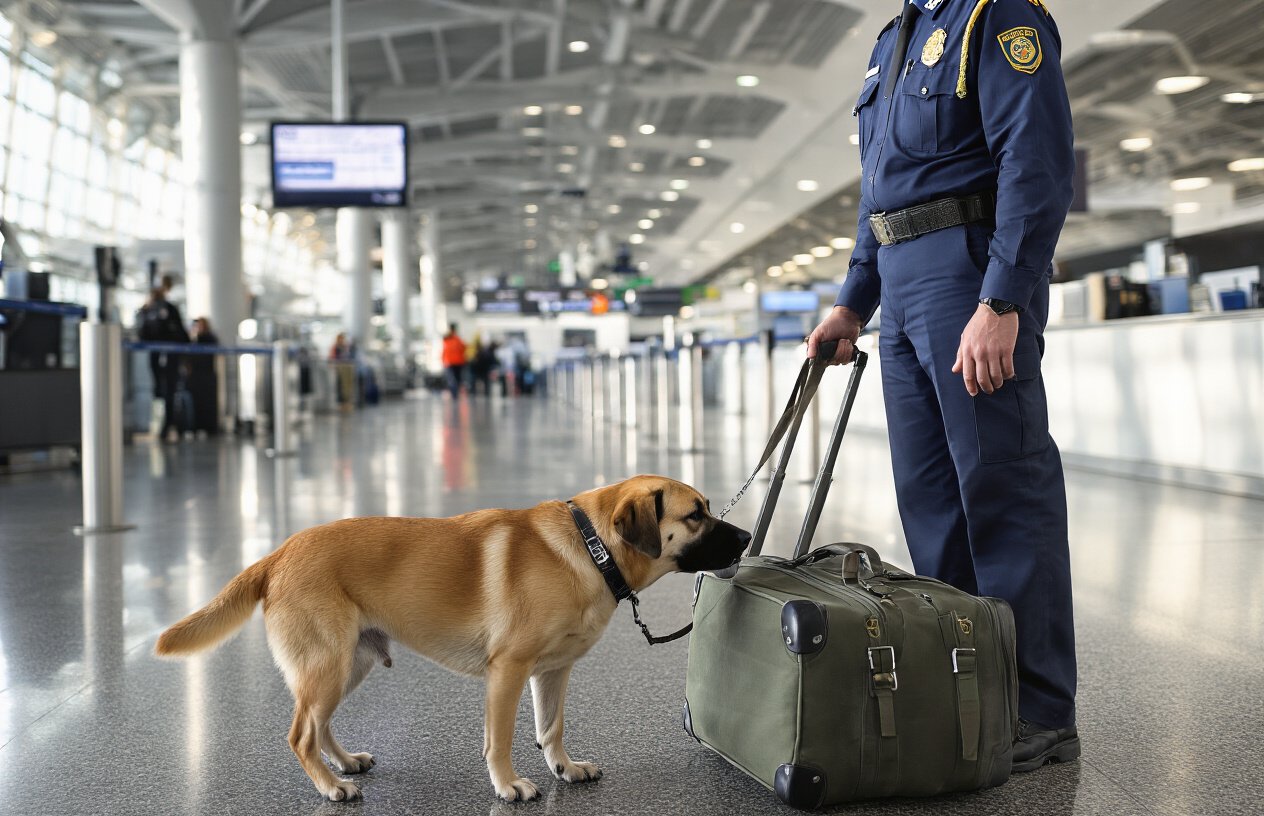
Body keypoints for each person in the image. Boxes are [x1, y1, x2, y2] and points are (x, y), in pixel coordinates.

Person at [807, 0, 1078, 772]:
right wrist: (853, 301)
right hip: (899, 284)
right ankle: (966, 684)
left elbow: (1037, 158)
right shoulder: (895, 41)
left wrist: (1003, 300)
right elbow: (878, 188)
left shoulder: (999, 18)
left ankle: (1041, 709)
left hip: (967, 273)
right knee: (929, 498)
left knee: (1004, 488)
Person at [136, 278, 189, 442]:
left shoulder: (147, 310)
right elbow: (181, 334)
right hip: (168, 355)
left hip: (157, 355)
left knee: (161, 390)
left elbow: (142, 334)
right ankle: (167, 426)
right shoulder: (167, 309)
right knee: (169, 391)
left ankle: (163, 427)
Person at [187, 317, 220, 436]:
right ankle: (197, 427)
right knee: (197, 403)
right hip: (197, 376)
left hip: (206, 376)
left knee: (208, 404)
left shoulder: (207, 339)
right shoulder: (194, 340)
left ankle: (209, 428)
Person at [329, 332, 356, 411]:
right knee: (340, 385)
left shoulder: (345, 347)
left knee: (348, 386)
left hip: (347, 367)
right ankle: (341, 404)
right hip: (340, 367)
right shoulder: (335, 347)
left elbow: (349, 356)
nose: (342, 340)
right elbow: (332, 357)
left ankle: (347, 402)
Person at [441, 324, 466, 398]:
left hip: (453, 362)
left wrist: (443, 360)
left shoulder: (448, 339)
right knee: (455, 379)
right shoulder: (456, 339)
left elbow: (444, 351)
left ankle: (454, 393)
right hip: (455, 362)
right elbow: (463, 348)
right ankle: (455, 393)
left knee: (453, 379)